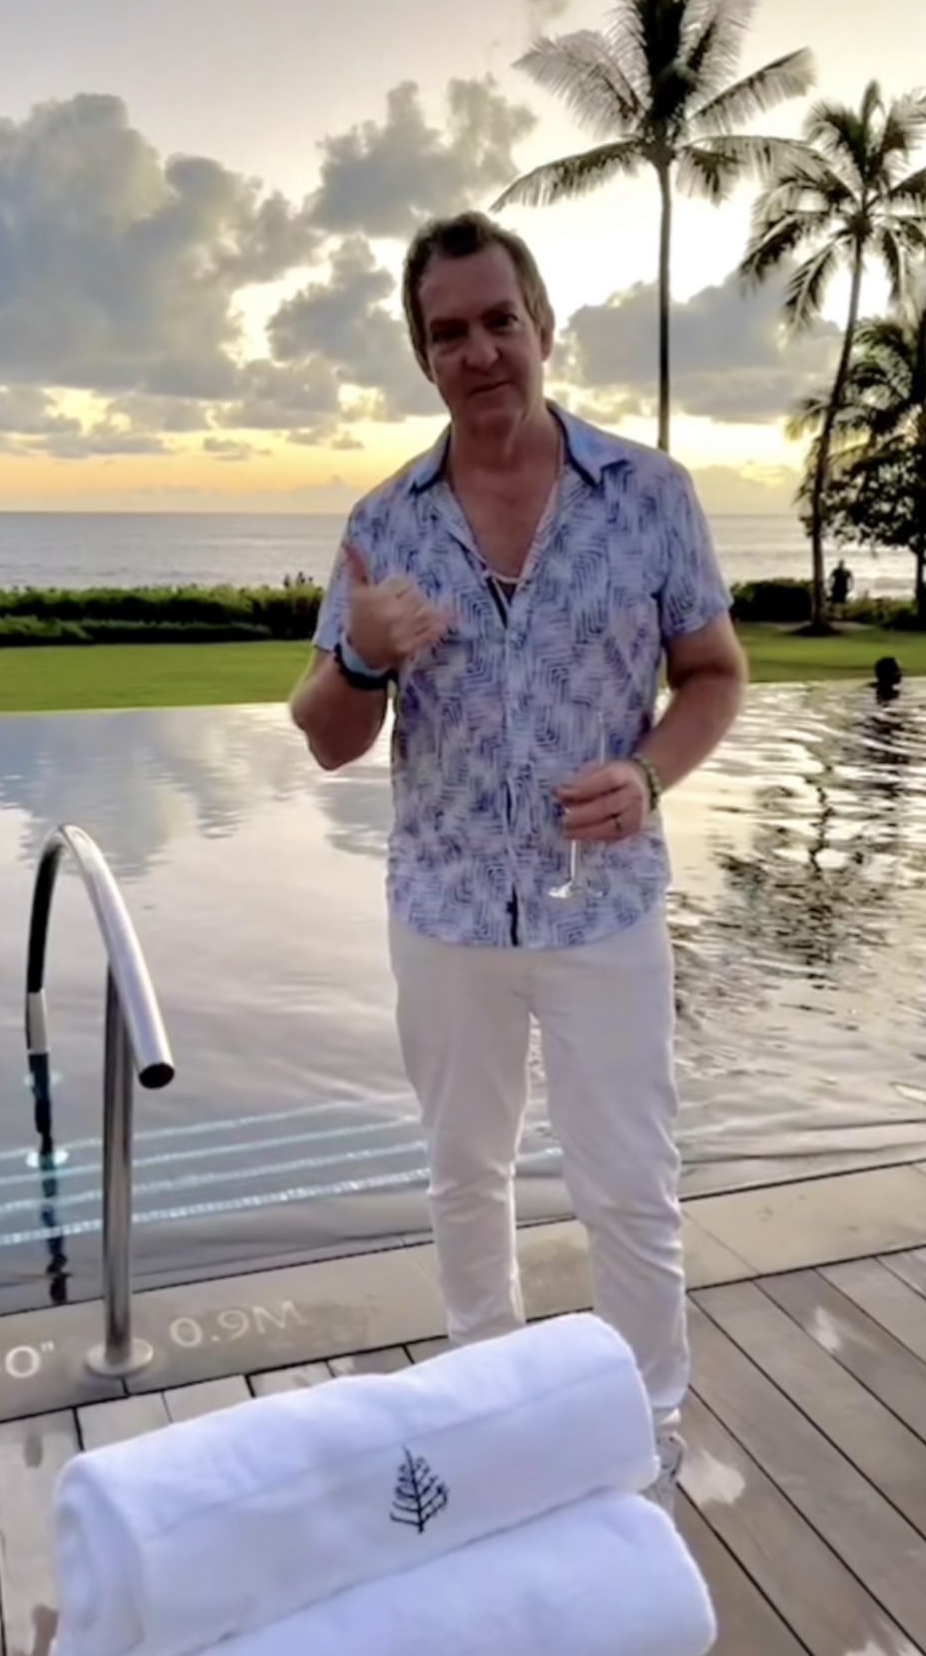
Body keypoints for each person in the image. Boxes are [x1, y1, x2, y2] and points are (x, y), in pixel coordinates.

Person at [288, 211, 746, 1508]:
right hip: (442, 910)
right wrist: (364, 650)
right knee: (463, 1174)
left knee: (628, 1182)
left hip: (602, 908)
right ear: (422, 356)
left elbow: (713, 673)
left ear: (541, 325)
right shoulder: (383, 526)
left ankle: (647, 1430)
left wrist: (650, 771)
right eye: (448, 332)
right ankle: (481, 1408)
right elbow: (326, 737)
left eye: (498, 320)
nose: (479, 350)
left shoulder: (649, 496)